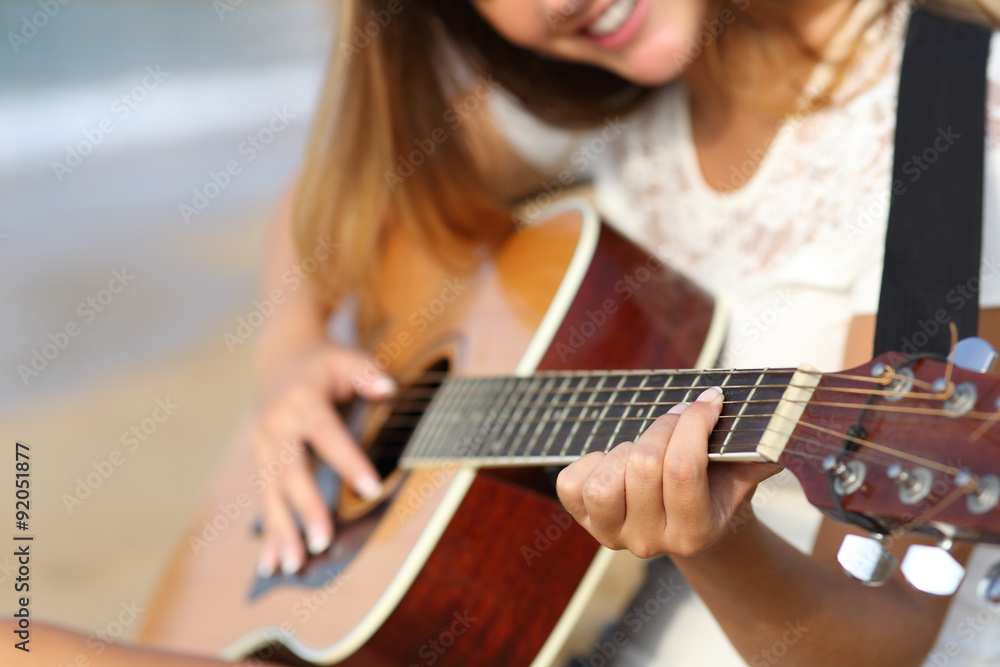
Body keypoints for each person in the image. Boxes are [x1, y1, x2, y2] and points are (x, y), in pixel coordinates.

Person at [10, 0, 1000, 664]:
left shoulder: (958, 122)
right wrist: (291, 359)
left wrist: (714, 539)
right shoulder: (612, 101)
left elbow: (884, 638)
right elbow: (335, 206)